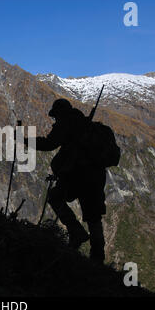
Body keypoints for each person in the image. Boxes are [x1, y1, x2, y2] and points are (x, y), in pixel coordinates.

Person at [26, 99, 107, 262]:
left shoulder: (67, 123)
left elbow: (49, 144)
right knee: (93, 217)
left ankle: (76, 232)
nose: (55, 121)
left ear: (60, 113)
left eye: (55, 117)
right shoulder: (85, 124)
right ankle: (97, 258)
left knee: (55, 198)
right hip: (96, 177)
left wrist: (24, 140)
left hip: (77, 176)